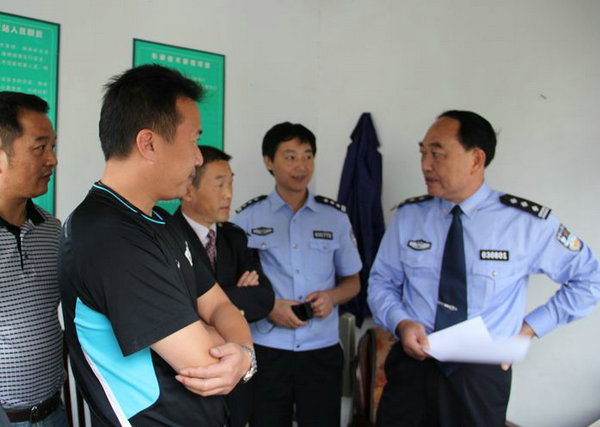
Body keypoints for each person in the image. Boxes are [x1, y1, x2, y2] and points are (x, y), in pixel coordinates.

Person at [367, 110, 600, 426]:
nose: (425, 165)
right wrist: (402, 322)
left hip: (478, 377)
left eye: (437, 154)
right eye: (422, 153)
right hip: (413, 370)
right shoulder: (410, 217)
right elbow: (381, 282)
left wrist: (529, 329)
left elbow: (590, 278)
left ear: (476, 159)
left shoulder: (525, 224)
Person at [58, 65, 255, 426]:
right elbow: (206, 362)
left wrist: (242, 353)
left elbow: (220, 305)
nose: (198, 158)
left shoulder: (161, 221)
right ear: (148, 143)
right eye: (193, 140)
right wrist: (236, 349)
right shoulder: (107, 235)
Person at [234, 122, 362, 427]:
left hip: (321, 349)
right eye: (290, 157)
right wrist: (269, 307)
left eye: (308, 156)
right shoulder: (246, 218)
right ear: (269, 161)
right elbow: (235, 288)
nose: (301, 166)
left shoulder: (335, 218)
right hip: (267, 348)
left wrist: (332, 297)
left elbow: (353, 282)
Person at [170, 144, 274, 426]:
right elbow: (174, 306)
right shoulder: (167, 237)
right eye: (219, 184)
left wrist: (205, 306)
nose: (228, 193)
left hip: (237, 382)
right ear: (188, 190)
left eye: (230, 183)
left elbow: (264, 299)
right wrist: (234, 299)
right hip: (188, 383)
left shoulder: (234, 237)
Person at [0, 92, 68, 426]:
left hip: (53, 411)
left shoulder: (52, 230)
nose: (52, 160)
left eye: (52, 147)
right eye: (40, 148)